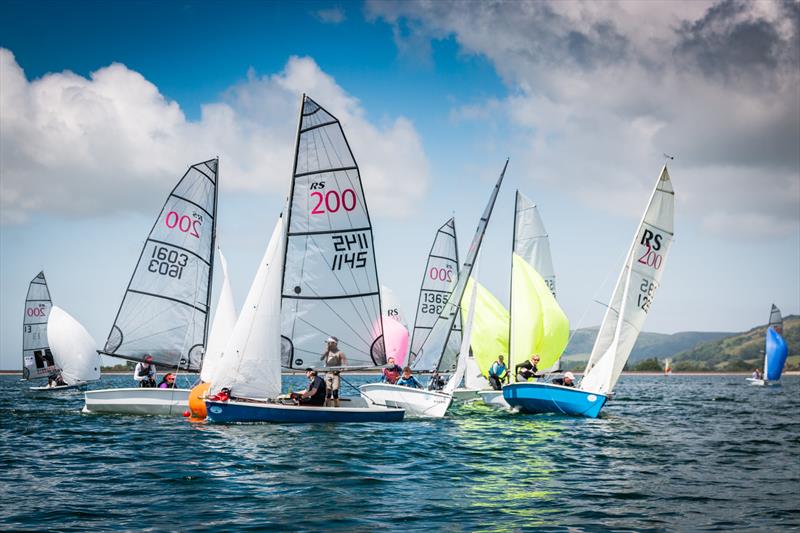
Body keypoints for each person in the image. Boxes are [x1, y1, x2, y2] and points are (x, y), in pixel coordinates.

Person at [321, 337, 347, 407]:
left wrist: (340, 370)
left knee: (335, 393)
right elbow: (321, 358)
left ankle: (337, 407)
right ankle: (327, 407)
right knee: (328, 393)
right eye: (328, 343)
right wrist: (326, 351)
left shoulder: (340, 353)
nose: (328, 344)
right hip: (327, 374)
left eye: (329, 343)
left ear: (334, 343)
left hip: (335, 375)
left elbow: (345, 364)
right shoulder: (327, 352)